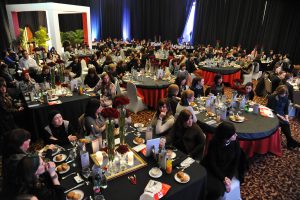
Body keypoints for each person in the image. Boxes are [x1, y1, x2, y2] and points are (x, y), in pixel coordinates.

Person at [202, 121, 247, 200]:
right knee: (205, 184)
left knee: (217, 191)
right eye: (233, 134)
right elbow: (212, 163)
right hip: (212, 169)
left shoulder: (235, 142)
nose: (236, 135)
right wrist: (223, 178)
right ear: (225, 136)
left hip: (226, 169)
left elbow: (235, 163)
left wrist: (228, 178)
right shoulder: (214, 142)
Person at [2, 129, 31, 197]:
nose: (28, 146)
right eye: (28, 142)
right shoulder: (20, 161)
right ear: (20, 144)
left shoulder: (9, 155)